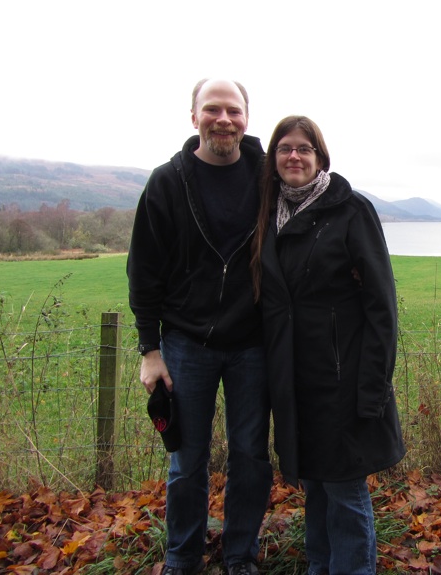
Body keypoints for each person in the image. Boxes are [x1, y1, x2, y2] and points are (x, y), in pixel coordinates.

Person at [127, 78, 272, 575]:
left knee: (251, 456)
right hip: (187, 343)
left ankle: (240, 555)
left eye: (233, 110)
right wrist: (150, 349)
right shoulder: (168, 181)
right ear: (194, 118)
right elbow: (142, 272)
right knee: (187, 462)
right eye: (213, 110)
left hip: (253, 343)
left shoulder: (267, 174)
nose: (224, 120)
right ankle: (182, 558)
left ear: (246, 119)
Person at [250, 116, 406, 575]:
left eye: (304, 148)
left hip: (344, 377)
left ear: (320, 157)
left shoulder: (351, 210)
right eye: (284, 148)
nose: (293, 156)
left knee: (344, 488)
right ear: (272, 159)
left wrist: (374, 387)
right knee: (316, 485)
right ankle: (321, 566)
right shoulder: (269, 215)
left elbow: (383, 308)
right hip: (295, 379)